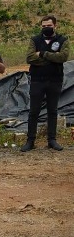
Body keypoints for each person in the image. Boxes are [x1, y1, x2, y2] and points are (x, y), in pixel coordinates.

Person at [22, 15, 71, 152]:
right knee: (34, 111)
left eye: (49, 26)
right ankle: (30, 140)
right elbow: (29, 58)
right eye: (44, 26)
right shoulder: (34, 40)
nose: (46, 28)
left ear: (55, 25)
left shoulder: (63, 40)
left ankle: (52, 140)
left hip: (55, 80)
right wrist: (52, 58)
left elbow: (63, 57)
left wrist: (43, 53)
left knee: (52, 111)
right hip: (37, 80)